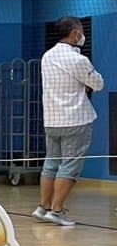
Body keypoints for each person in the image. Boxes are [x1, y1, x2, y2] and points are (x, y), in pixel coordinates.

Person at [35, 17, 104, 227]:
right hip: (75, 120)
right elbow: (98, 84)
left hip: (51, 120)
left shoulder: (47, 56)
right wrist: (85, 84)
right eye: (81, 31)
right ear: (75, 33)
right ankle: (56, 211)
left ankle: (43, 207)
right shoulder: (79, 60)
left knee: (51, 164)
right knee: (69, 166)